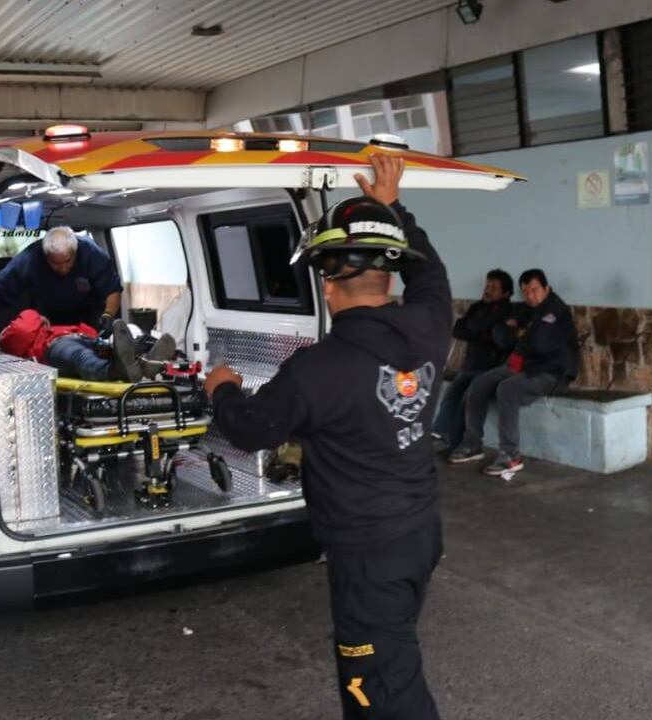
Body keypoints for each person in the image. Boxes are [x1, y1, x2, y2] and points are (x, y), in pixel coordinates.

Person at [204, 154, 446, 720]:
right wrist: (393, 209)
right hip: (419, 533)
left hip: (367, 553)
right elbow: (431, 275)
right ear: (389, 276)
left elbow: (249, 429)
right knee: (394, 653)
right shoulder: (430, 326)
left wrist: (223, 387)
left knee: (378, 687)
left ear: (330, 283)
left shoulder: (317, 370)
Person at [448, 269, 577, 476]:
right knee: (479, 383)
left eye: (534, 290)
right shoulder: (528, 309)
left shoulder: (555, 310)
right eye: (525, 292)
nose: (530, 296)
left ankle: (511, 455)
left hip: (552, 372)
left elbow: (539, 343)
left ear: (546, 288)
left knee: (508, 389)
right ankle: (472, 444)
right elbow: (502, 333)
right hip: (524, 366)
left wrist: (520, 331)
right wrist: (520, 332)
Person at [431, 269, 514, 452]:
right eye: (487, 286)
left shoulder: (507, 311)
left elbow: (487, 331)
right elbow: (459, 330)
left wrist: (477, 329)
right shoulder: (477, 307)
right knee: (451, 394)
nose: (487, 290)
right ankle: (440, 433)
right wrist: (483, 333)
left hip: (489, 369)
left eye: (494, 288)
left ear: (505, 293)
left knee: (467, 399)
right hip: (470, 365)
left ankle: (458, 443)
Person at [0, 225, 123, 331]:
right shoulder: (31, 257)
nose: (63, 268)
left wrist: (108, 315)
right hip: (50, 318)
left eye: (67, 261)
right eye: (55, 263)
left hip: (89, 316)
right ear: (46, 256)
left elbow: (112, 290)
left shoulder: (91, 253)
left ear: (75, 251)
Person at [0, 308, 173, 382]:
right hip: (56, 347)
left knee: (119, 344)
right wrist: (37, 317)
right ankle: (114, 371)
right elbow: (21, 329)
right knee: (82, 357)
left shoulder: (57, 329)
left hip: (84, 338)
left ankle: (146, 361)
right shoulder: (10, 338)